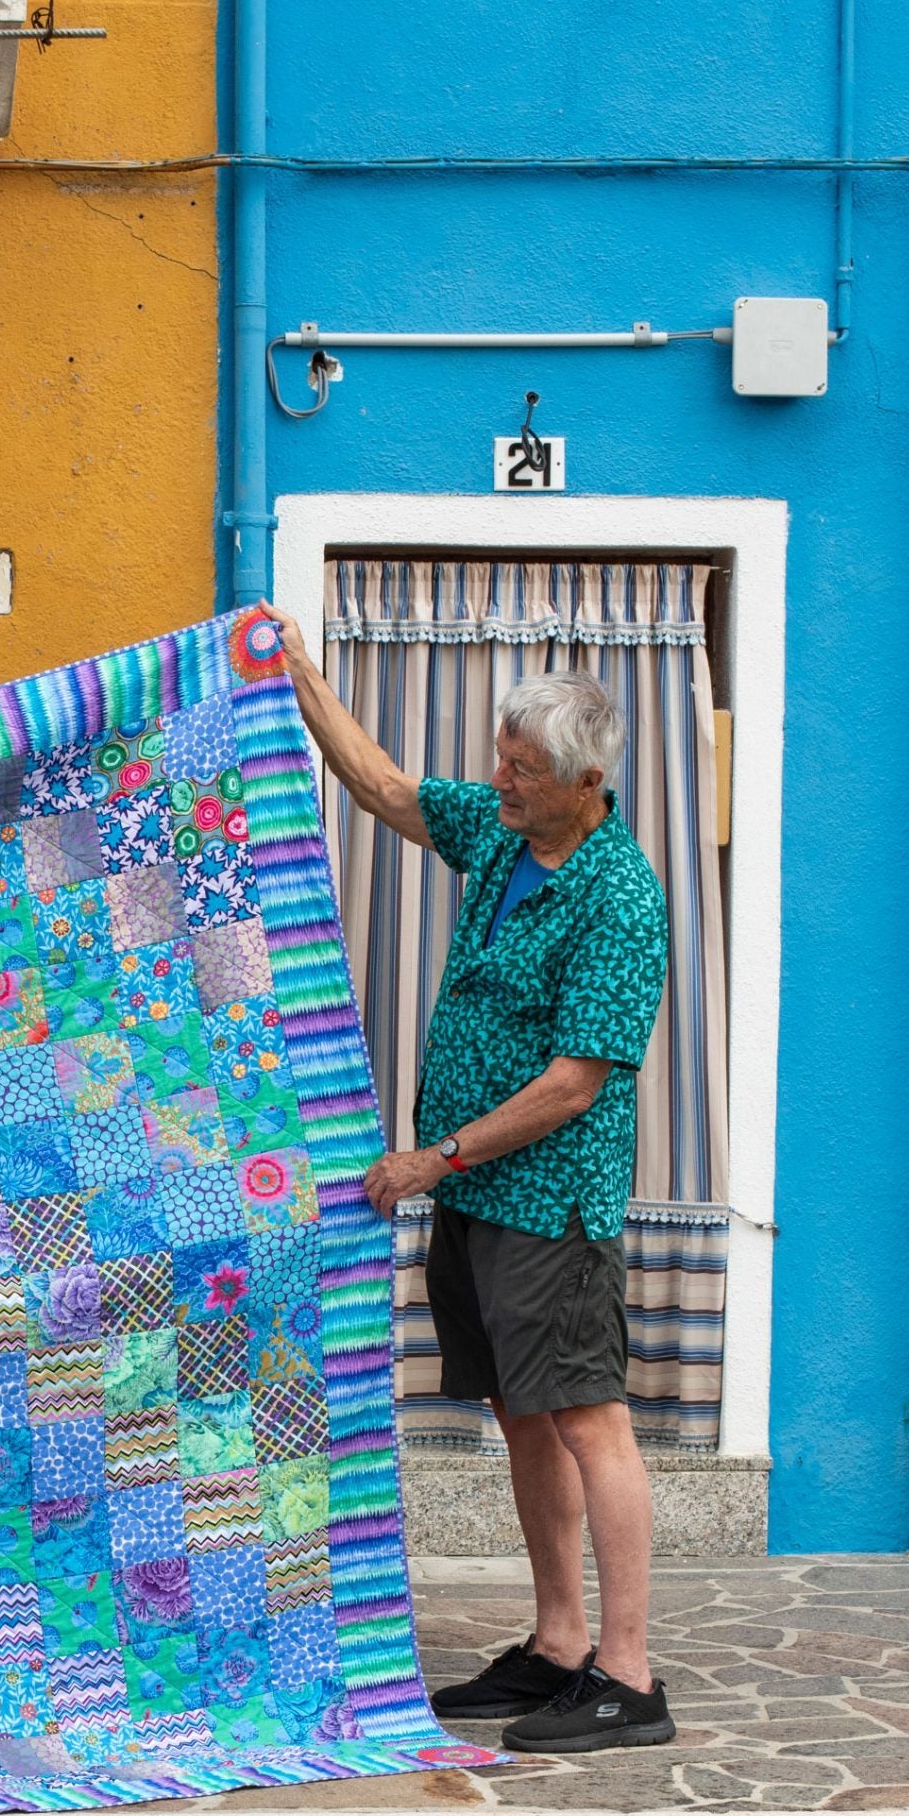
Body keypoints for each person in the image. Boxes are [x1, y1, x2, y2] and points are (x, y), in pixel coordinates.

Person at [265, 607, 675, 1755]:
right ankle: (555, 1643)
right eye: (501, 755)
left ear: (587, 780)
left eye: (524, 768)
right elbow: (389, 790)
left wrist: (429, 1158)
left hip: (549, 1203)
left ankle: (630, 1675)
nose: (499, 776)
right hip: (478, 1202)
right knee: (520, 1413)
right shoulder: (503, 836)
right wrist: (298, 676)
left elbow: (573, 1082)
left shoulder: (618, 895)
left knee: (591, 1419)